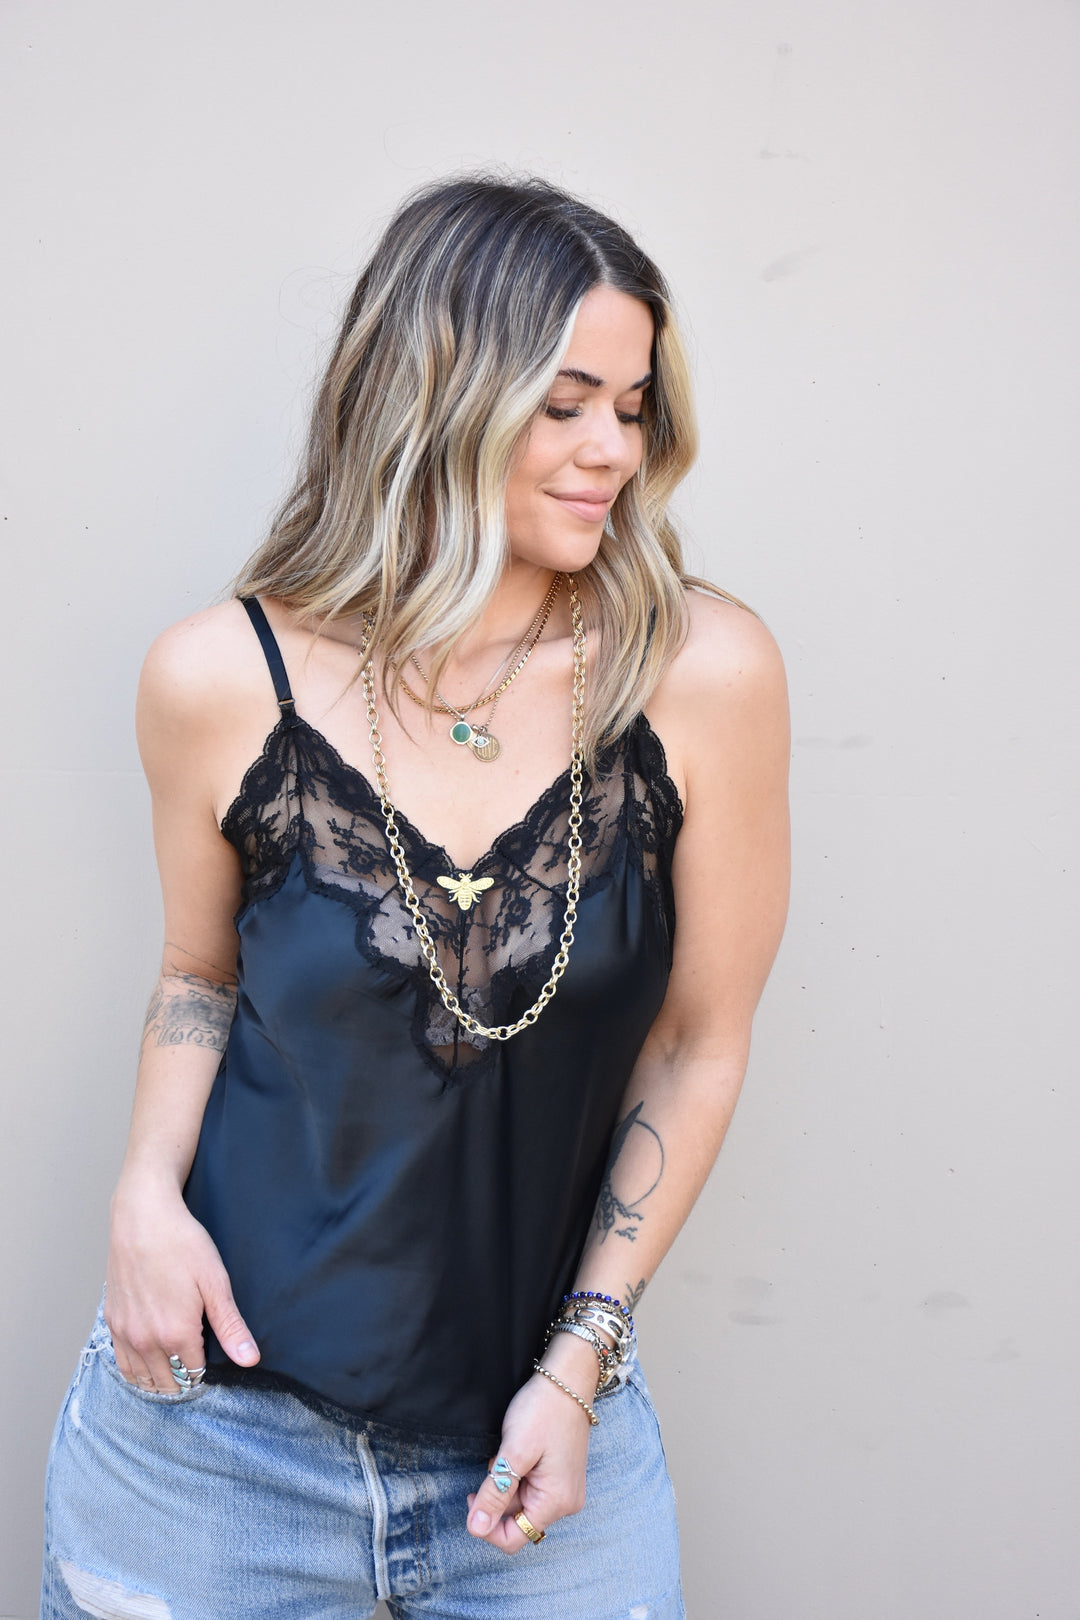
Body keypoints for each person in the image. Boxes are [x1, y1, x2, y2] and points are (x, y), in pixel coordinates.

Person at [40, 173, 790, 1620]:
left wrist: (580, 1360)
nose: (611, 451)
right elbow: (200, 975)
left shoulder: (702, 676)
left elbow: (701, 1043)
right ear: (436, 399)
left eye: (632, 409)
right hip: (212, 1438)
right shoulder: (218, 678)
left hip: (540, 1440)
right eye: (563, 405)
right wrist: (141, 1197)